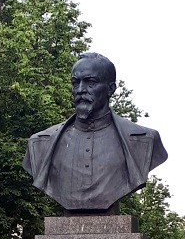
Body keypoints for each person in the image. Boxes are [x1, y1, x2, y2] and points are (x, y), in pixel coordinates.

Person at [23, 52, 168, 212]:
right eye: (75, 83)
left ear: (111, 89)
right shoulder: (40, 144)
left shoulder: (144, 140)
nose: (80, 90)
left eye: (90, 83)